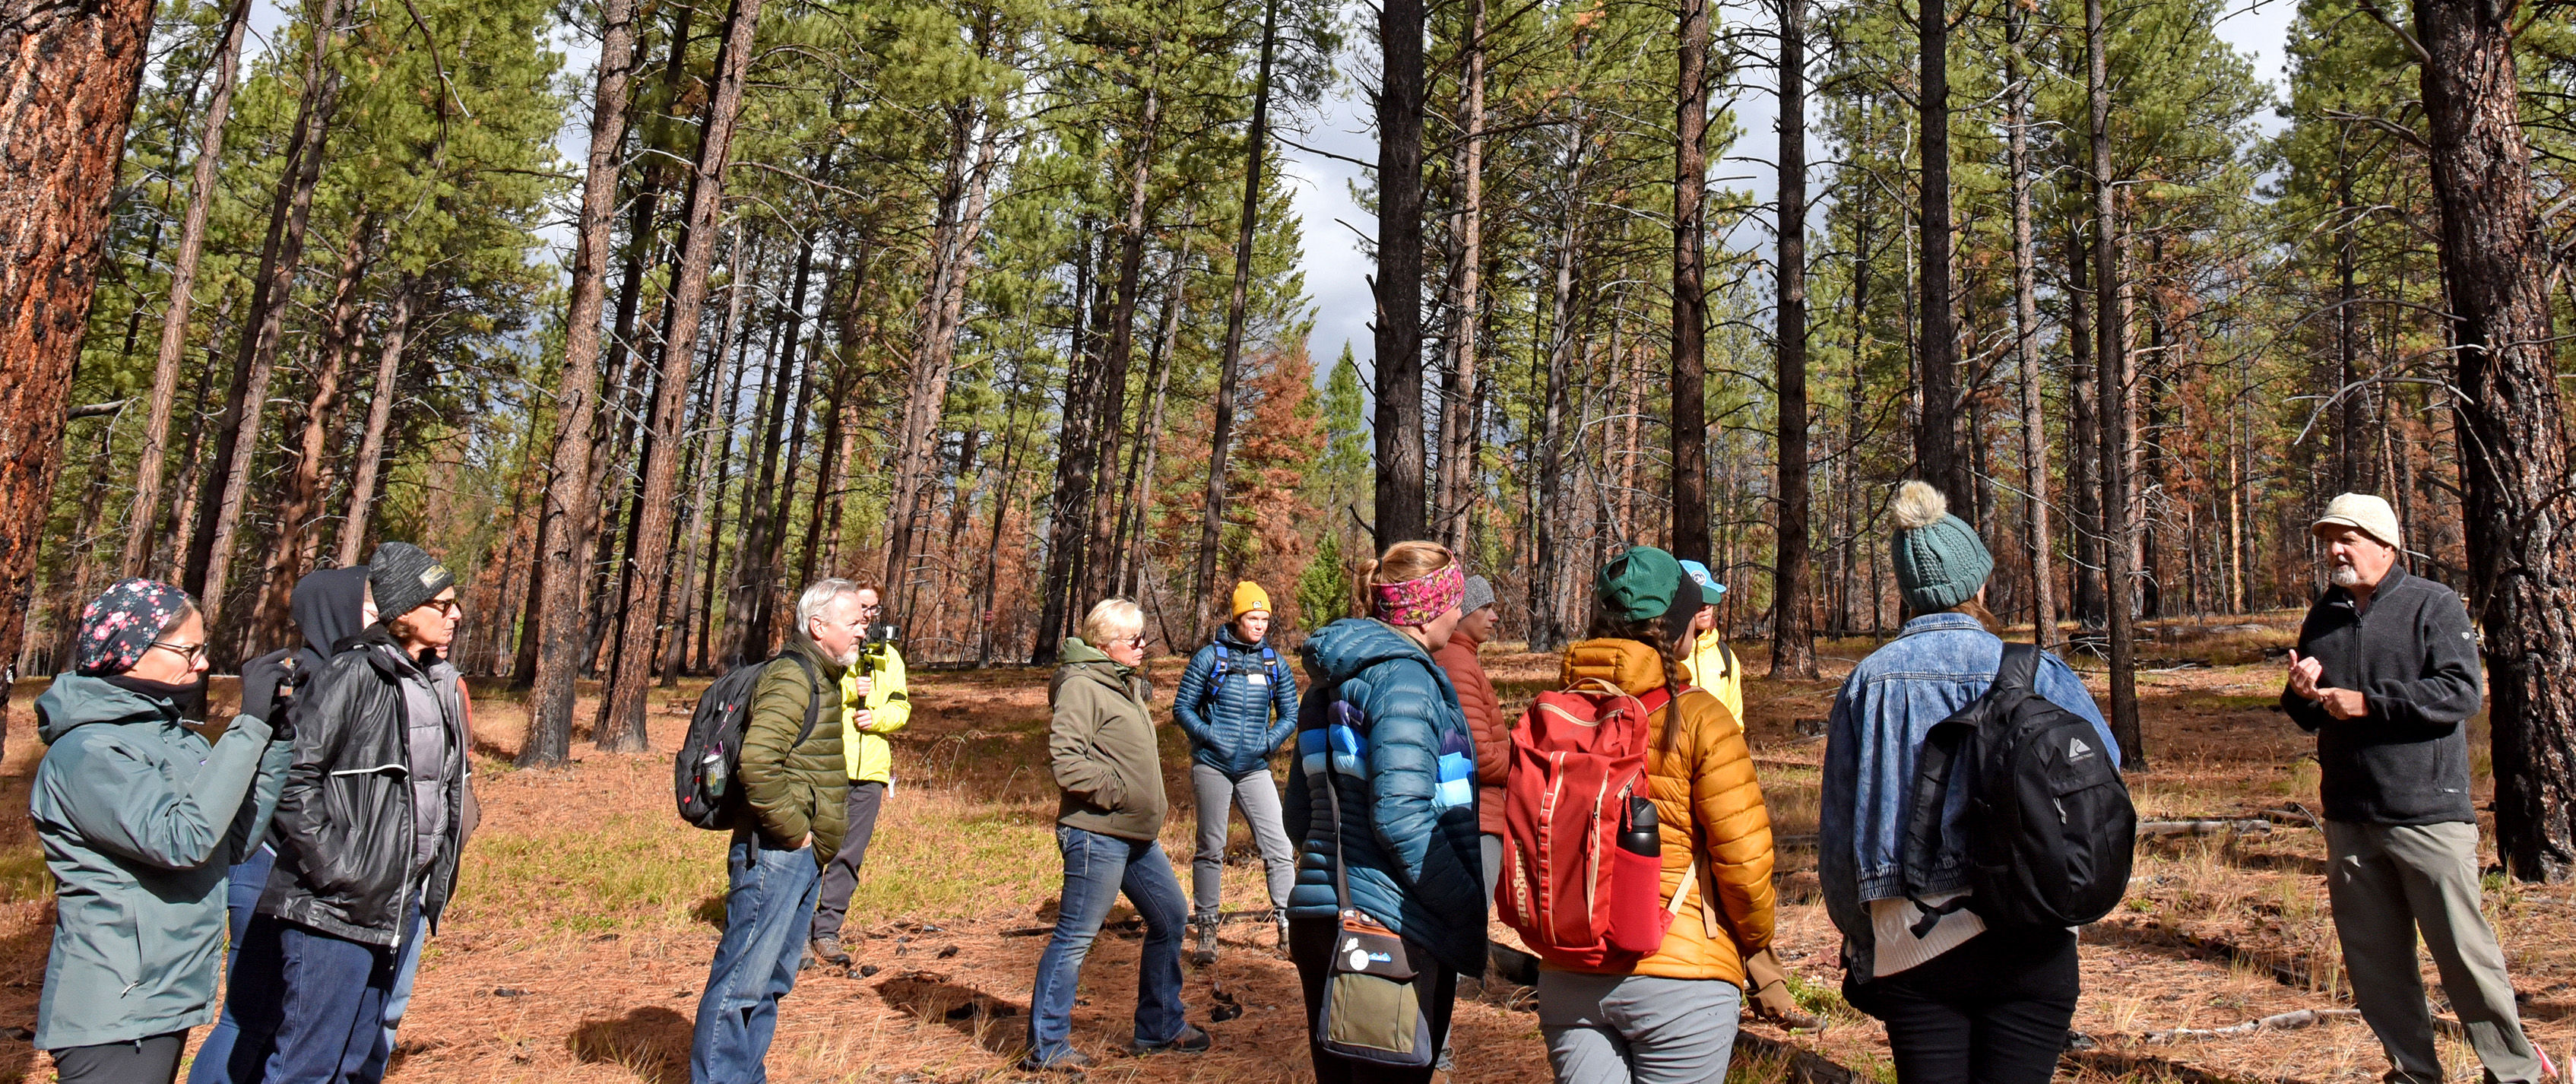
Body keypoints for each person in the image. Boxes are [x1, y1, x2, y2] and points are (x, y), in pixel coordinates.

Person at [1819, 482, 2119, 1084]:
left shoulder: (1867, 683)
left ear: (1908, 595)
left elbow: (1839, 833)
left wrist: (1863, 937)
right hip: (2030, 930)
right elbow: (2104, 782)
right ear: (1977, 585)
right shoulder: (2038, 671)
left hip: (1912, 934)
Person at [2282, 494, 2543, 1084]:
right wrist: (2300, 693)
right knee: (2375, 965)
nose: (2335, 550)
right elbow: (2309, 714)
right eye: (2329, 539)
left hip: (2427, 815)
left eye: (2346, 537)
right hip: (2349, 816)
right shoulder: (2325, 614)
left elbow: (2460, 694)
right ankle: (2411, 1072)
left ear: (2384, 543)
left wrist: (2370, 703)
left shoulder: (2433, 604)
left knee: (2464, 959)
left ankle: (2515, 1073)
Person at [223, 541, 477, 1084]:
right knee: (306, 1067)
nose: (455, 615)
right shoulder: (354, 673)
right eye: (442, 603)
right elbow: (296, 778)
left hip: (397, 900)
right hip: (336, 908)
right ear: (404, 610)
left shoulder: (427, 681)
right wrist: (338, 871)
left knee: (356, 1061)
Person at [31, 579, 290, 1084]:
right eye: (186, 650)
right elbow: (182, 841)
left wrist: (275, 737)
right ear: (127, 650)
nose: (202, 664)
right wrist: (248, 725)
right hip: (113, 1009)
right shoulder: (89, 753)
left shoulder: (170, 738)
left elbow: (231, 842)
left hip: (162, 998)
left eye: (203, 650)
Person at [1536, 547, 1776, 1084]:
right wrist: (1755, 944)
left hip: (1567, 969)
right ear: (1675, 623)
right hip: (1681, 971)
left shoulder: (1551, 713)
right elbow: (1744, 858)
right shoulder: (1697, 717)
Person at [1286, 540, 1484, 1084]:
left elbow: (1298, 815)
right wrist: (1466, 905)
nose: (1460, 612)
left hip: (1320, 919)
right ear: (1430, 607)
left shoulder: (1330, 678)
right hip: (1389, 929)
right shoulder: (1405, 680)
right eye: (1456, 600)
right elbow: (1401, 819)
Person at [191, 566, 372, 1084]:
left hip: (291, 866)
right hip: (268, 866)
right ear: (333, 611)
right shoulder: (301, 681)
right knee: (249, 1017)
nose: (382, 619)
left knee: (268, 1017)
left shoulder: (344, 676)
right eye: (370, 607)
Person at [1023, 599, 1206, 1072]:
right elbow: (1067, 761)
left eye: (1144, 637)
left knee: (1170, 917)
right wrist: (1120, 793)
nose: (1143, 646)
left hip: (1136, 837)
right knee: (1075, 937)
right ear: (1104, 644)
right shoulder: (1082, 685)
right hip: (1096, 834)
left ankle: (1160, 1026)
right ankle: (1047, 1047)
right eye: (1135, 639)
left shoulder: (1121, 684)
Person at [690, 578, 857, 1084]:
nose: (859, 634)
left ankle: (744, 1075)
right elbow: (759, 762)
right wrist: (796, 832)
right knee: (743, 980)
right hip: (775, 853)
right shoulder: (793, 676)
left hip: (799, 856)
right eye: (851, 624)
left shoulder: (822, 676)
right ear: (818, 626)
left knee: (770, 981)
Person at [1171, 580, 1301, 961]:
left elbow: (1290, 714)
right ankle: (1207, 931)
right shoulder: (1210, 658)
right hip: (1212, 764)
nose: (1260, 625)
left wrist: (1267, 743)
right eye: (1252, 617)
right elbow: (1183, 708)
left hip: (1254, 767)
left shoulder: (1274, 663)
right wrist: (1211, 738)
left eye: (1265, 618)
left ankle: (1288, 928)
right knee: (1211, 847)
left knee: (1278, 845)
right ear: (1237, 617)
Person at [807, 583, 911, 968]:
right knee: (813, 848)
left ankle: (827, 931)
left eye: (873, 608)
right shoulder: (833, 651)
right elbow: (820, 696)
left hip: (871, 771)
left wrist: (877, 718)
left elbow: (901, 708)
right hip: (831, 763)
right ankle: (797, 932)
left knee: (850, 854)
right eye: (861, 607)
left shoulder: (891, 658)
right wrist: (853, 690)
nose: (868, 615)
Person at [1429, 574, 1507, 904]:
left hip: (1474, 814)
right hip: (1475, 820)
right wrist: (1524, 759)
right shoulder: (1458, 664)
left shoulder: (1463, 659)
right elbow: (1478, 757)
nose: (1494, 617)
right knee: (1469, 921)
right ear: (1461, 613)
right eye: (1485, 608)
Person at [1675, 559, 1742, 723]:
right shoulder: (1660, 654)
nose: (1706, 607)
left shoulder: (1726, 656)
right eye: (1698, 600)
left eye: (1709, 599)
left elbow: (1735, 722)